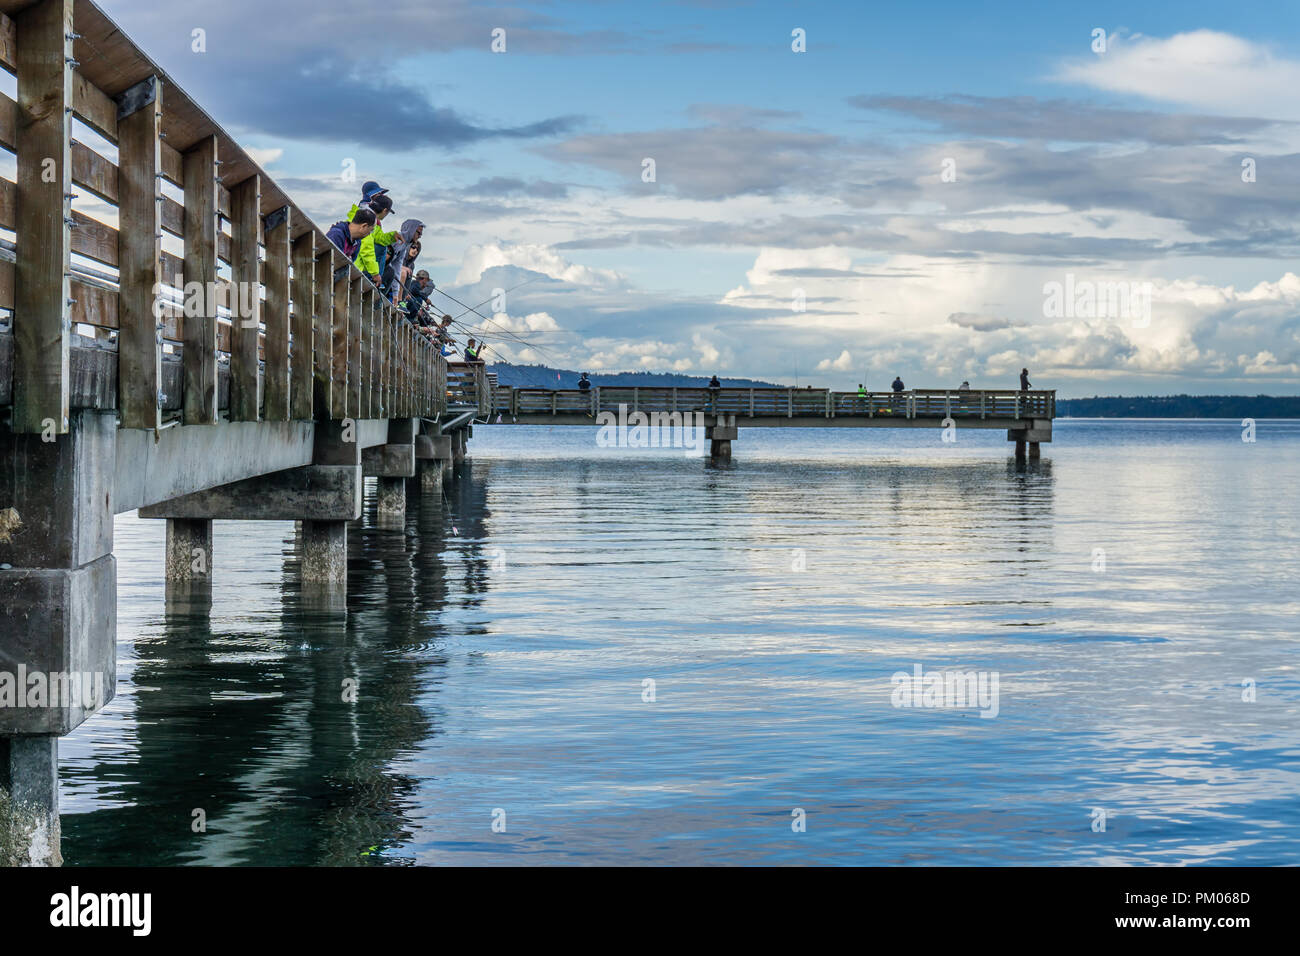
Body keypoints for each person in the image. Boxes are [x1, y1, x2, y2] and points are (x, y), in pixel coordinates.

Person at [353, 193, 395, 283]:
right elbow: (366, 249)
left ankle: (375, 280)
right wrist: (375, 274)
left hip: (354, 261)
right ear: (385, 210)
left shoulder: (367, 215)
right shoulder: (368, 219)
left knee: (382, 246)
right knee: (382, 248)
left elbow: (379, 238)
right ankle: (375, 281)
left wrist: (393, 236)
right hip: (355, 265)